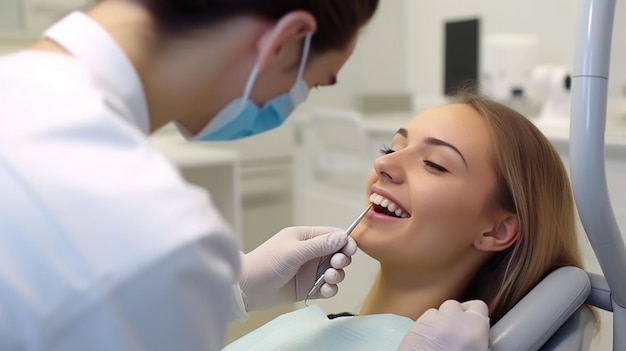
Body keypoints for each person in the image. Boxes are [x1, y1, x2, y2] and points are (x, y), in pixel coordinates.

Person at [0, 0, 486, 350]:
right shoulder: (157, 234)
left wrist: (232, 289)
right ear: (285, 42)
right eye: (312, 83)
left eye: (436, 163)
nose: (382, 164)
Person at [223, 92, 596, 351]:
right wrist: (230, 292)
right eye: (392, 148)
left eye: (434, 164)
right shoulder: (325, 328)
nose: (383, 164)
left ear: (496, 229)